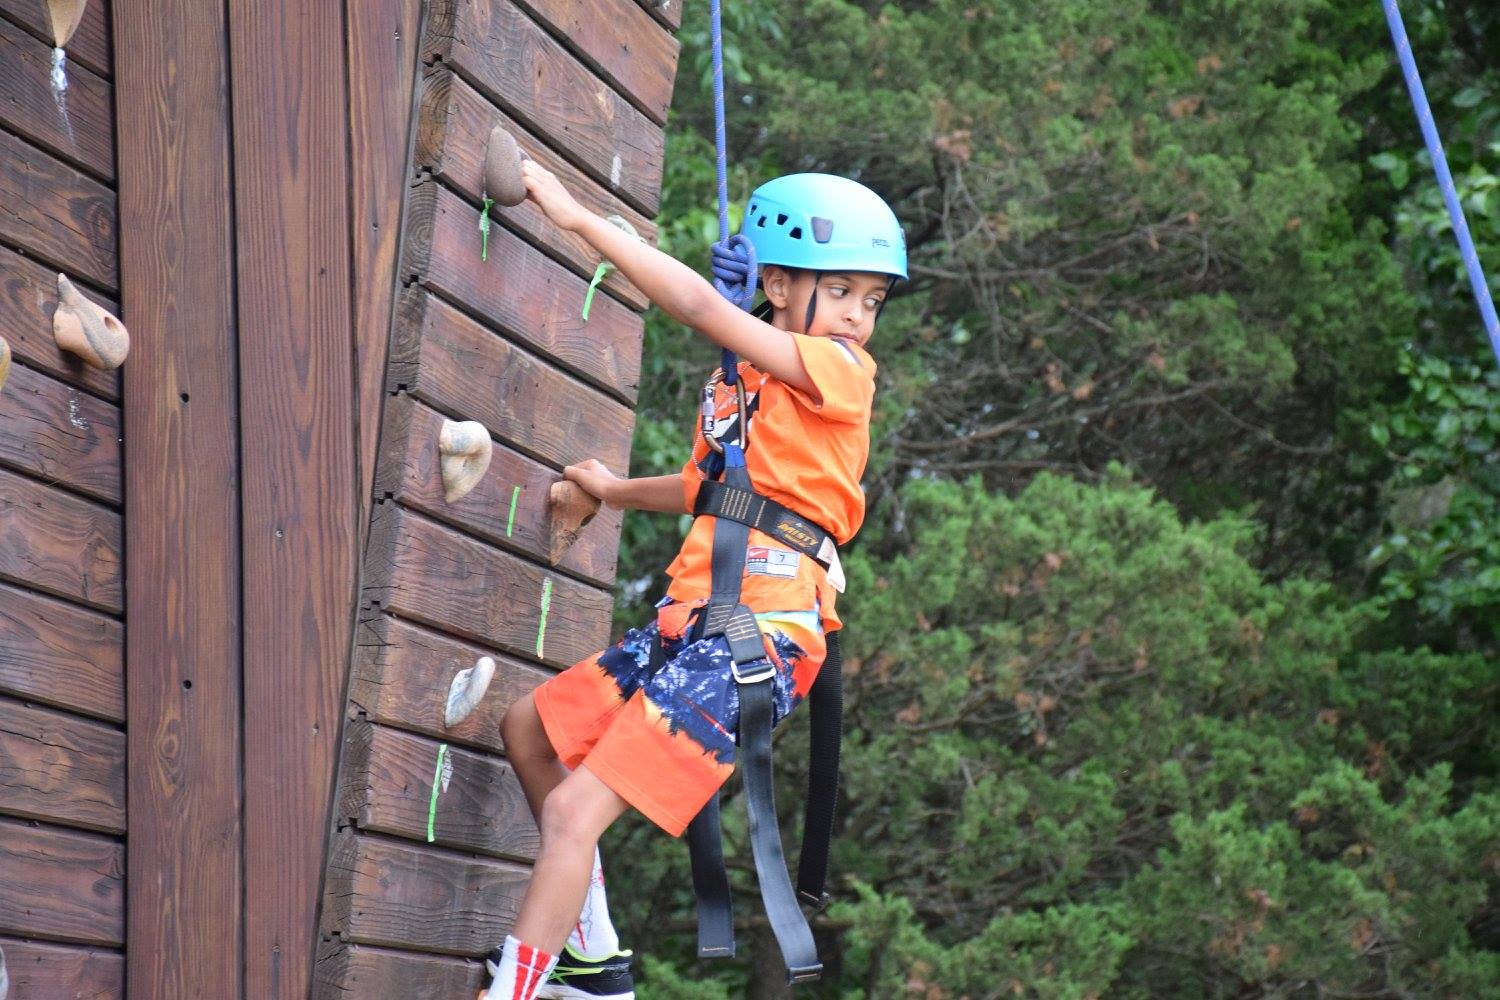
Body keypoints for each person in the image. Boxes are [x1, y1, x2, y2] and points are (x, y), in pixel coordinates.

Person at [480, 162, 907, 1000]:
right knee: (527, 730)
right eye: (845, 290)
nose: (861, 315)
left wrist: (573, 215)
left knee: (572, 815)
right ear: (777, 285)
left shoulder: (842, 373)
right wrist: (612, 490)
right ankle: (592, 958)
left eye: (874, 299)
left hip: (765, 632)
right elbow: (704, 488)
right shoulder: (742, 384)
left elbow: (703, 308)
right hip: (693, 624)